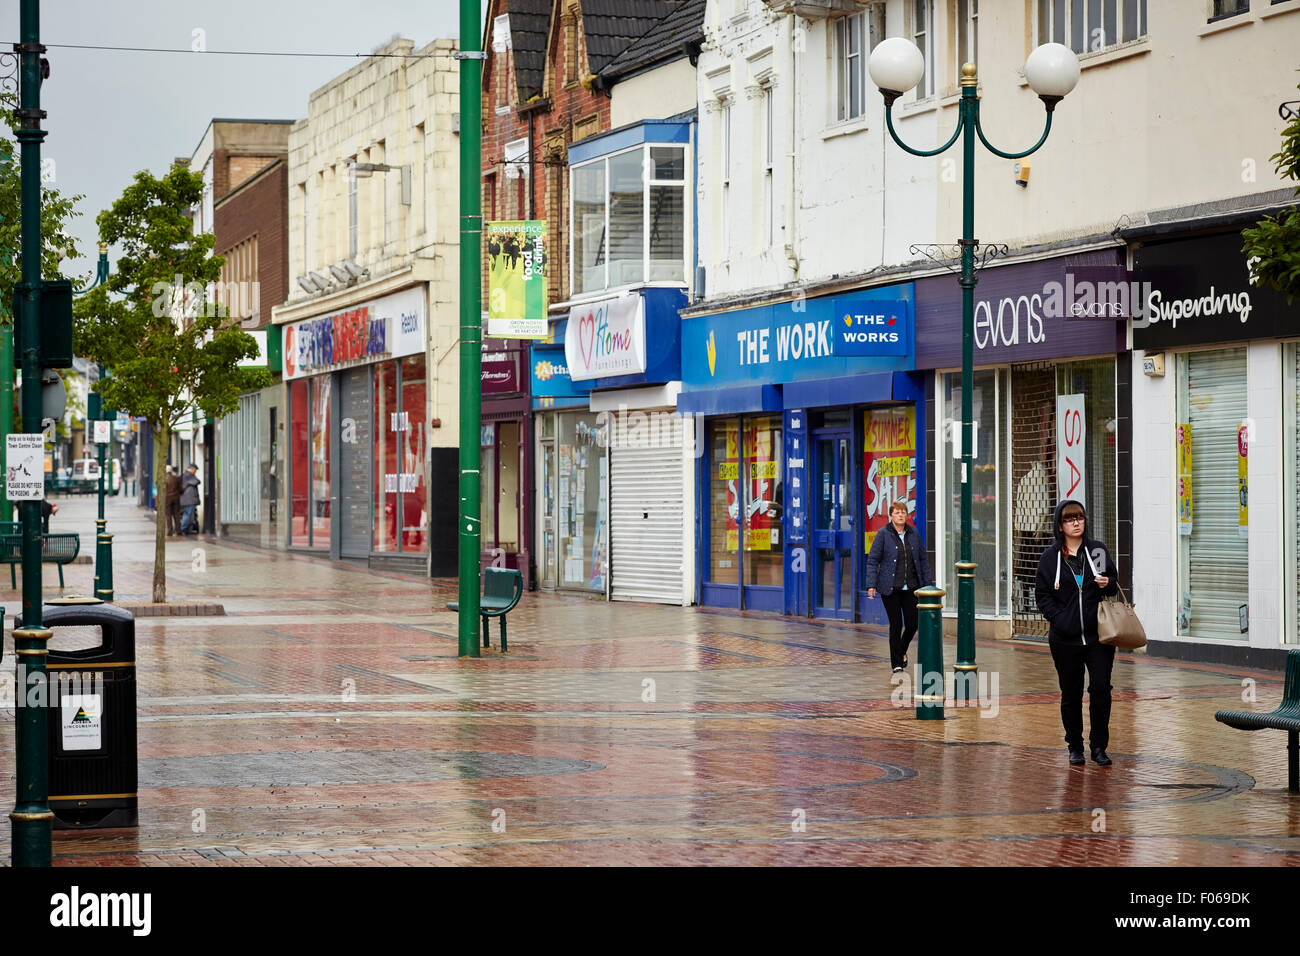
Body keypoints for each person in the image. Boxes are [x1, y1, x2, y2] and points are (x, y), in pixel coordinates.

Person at [1034, 499, 1120, 767]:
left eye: (1080, 517)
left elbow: (1113, 585)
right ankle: (1075, 746)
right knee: (1071, 693)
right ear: (1060, 525)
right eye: (1070, 519)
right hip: (1065, 639)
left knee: (1100, 689)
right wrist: (1060, 620)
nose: (1076, 522)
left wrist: (1108, 583)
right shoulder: (1050, 558)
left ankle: (1099, 747)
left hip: (1099, 637)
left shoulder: (1097, 551)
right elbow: (1042, 596)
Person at [864, 501, 934, 673]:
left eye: (903, 512)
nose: (901, 515)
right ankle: (896, 663)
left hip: (910, 587)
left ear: (907, 515)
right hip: (890, 589)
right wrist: (871, 584)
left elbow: (923, 560)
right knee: (895, 625)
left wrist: (927, 584)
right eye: (897, 512)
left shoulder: (914, 533)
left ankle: (901, 651)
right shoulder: (883, 534)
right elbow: (873, 560)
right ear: (891, 515)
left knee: (912, 625)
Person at [179, 463, 201, 536]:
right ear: (192, 469)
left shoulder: (186, 475)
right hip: (188, 499)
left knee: (189, 514)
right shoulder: (188, 475)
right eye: (195, 470)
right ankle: (183, 528)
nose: (195, 472)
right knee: (188, 514)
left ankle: (187, 528)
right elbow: (197, 481)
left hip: (188, 499)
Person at [164, 466, 182, 536]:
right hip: (176, 498)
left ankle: (169, 531)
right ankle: (178, 530)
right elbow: (181, 489)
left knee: (168, 515)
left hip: (167, 499)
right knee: (176, 514)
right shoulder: (176, 478)